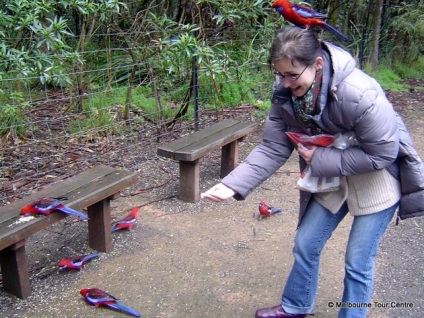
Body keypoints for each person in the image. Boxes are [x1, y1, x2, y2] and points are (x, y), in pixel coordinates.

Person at [201, 27, 424, 318]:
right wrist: (232, 184)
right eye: (279, 74)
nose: (284, 83)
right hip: (331, 175)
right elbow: (272, 146)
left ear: (317, 64)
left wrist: (321, 158)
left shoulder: (359, 92)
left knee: (357, 261)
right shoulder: (285, 92)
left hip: (376, 177)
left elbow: (383, 153)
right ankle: (296, 305)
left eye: (292, 75)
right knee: (306, 242)